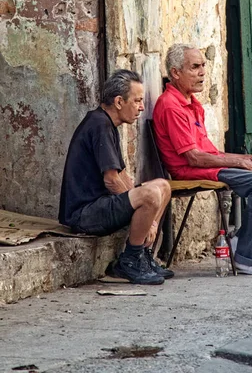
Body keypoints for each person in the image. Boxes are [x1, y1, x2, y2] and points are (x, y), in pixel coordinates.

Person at [153, 44, 252, 276]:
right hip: (191, 170)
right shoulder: (171, 105)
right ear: (176, 72)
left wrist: (244, 158)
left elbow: (210, 152)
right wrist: (240, 163)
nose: (202, 72)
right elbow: (194, 158)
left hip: (207, 165)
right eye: (195, 67)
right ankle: (250, 258)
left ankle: (243, 241)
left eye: (203, 66)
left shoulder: (192, 103)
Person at [58, 69, 173, 285]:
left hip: (102, 205)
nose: (142, 107)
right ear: (119, 101)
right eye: (137, 100)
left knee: (162, 186)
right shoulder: (99, 124)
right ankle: (130, 260)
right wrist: (143, 208)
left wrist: (150, 220)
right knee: (149, 194)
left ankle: (143, 255)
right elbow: (111, 180)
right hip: (85, 214)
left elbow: (121, 176)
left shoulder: (107, 124)